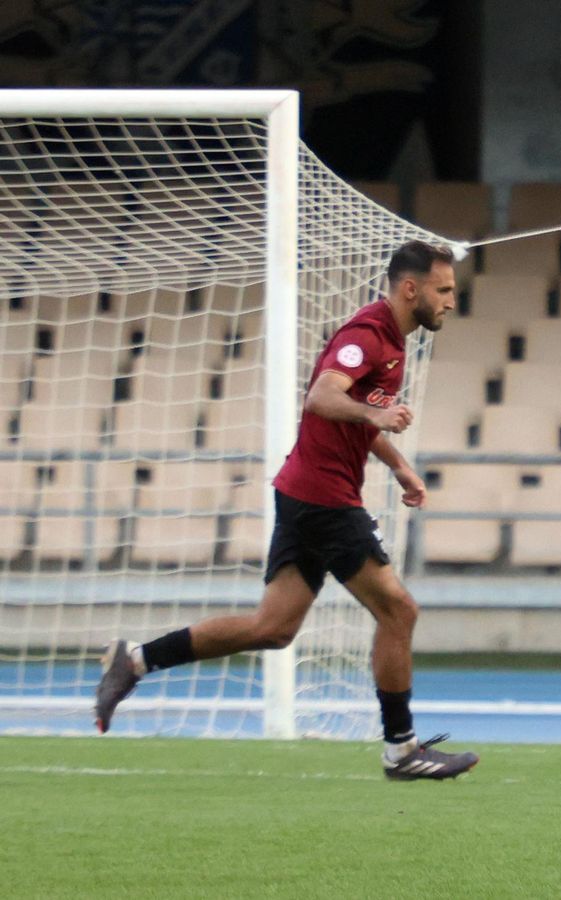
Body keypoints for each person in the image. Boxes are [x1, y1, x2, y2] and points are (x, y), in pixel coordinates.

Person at [94, 240, 479, 782]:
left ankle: (133, 660)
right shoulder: (367, 335)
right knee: (399, 611)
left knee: (272, 628)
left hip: (305, 493)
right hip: (323, 498)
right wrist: (385, 416)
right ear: (410, 288)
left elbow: (354, 415)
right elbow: (322, 398)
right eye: (444, 290)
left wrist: (396, 464)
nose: (450, 302)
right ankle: (401, 749)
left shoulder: (389, 339)